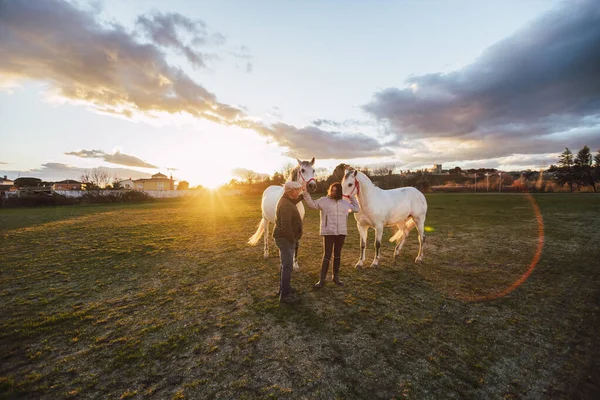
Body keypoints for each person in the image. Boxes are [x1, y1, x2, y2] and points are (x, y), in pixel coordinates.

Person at [302, 182, 360, 288]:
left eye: (336, 191)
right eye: (332, 190)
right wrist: (305, 193)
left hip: (341, 232)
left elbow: (356, 209)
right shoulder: (324, 201)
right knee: (327, 255)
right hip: (328, 232)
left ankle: (336, 277)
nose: (333, 192)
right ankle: (322, 280)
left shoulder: (345, 203)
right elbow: (312, 204)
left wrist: (352, 197)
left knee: (337, 254)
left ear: (339, 192)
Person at [273, 181, 304, 304]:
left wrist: (303, 195)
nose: (299, 192)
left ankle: (284, 288)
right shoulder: (286, 205)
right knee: (287, 266)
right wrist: (293, 240)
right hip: (285, 239)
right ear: (291, 192)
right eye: (297, 191)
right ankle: (285, 296)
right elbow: (286, 227)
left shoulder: (287, 200)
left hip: (284, 238)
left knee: (284, 265)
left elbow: (293, 202)